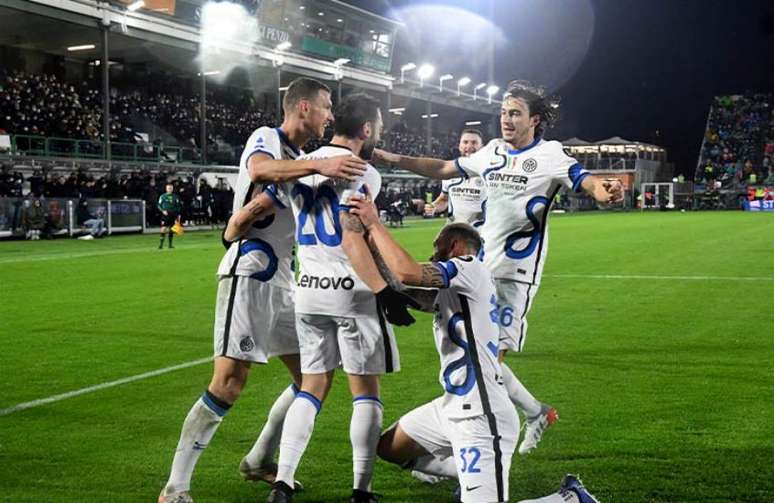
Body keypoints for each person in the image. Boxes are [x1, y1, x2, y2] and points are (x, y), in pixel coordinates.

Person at [373, 81, 624, 455]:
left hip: (514, 276)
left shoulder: (551, 155)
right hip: (478, 270)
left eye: (515, 113)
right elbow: (443, 167)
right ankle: (529, 415)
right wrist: (393, 159)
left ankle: (480, 446)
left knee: (486, 361)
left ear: (534, 120)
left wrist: (603, 190)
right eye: (504, 113)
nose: (506, 120)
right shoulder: (490, 152)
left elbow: (583, 180)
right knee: (473, 354)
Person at [158, 78, 371, 503]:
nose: (331, 116)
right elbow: (258, 170)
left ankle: (258, 459)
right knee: (229, 382)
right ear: (304, 108)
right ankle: (175, 488)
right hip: (252, 271)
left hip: (285, 281)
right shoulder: (268, 138)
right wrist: (319, 167)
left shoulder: (306, 156)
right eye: (326, 107)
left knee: (313, 375)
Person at [344, 200, 600, 503]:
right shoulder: (455, 290)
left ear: (453, 245)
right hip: (450, 406)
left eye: (436, 246)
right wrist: (364, 240)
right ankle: (470, 477)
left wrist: (375, 223)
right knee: (388, 447)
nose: (431, 252)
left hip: (481, 414)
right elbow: (402, 288)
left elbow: (407, 273)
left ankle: (568, 499)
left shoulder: (470, 268)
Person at [238, 93, 416, 503]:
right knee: (365, 392)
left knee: (311, 388)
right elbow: (353, 236)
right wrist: (384, 290)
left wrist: (234, 227)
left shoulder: (302, 164)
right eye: (380, 129)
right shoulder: (362, 171)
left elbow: (262, 201)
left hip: (307, 292)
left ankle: (282, 483)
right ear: (368, 130)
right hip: (351, 292)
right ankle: (361, 490)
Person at [426, 129, 487, 227]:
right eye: (465, 142)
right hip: (454, 232)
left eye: (474, 142)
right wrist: (434, 206)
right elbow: (444, 200)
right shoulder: (449, 172)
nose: (469, 146)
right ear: (459, 145)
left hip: (482, 234)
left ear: (482, 147)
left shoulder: (489, 172)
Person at [157, 183, 182, 249]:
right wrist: (163, 210)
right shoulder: (162, 196)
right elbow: (159, 205)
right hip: (166, 214)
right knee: (163, 229)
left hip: (173, 214)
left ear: (172, 189)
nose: (170, 189)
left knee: (171, 229)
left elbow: (179, 206)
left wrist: (178, 215)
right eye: (168, 188)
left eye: (171, 188)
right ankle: (161, 245)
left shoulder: (176, 197)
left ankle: (170, 245)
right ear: (166, 189)